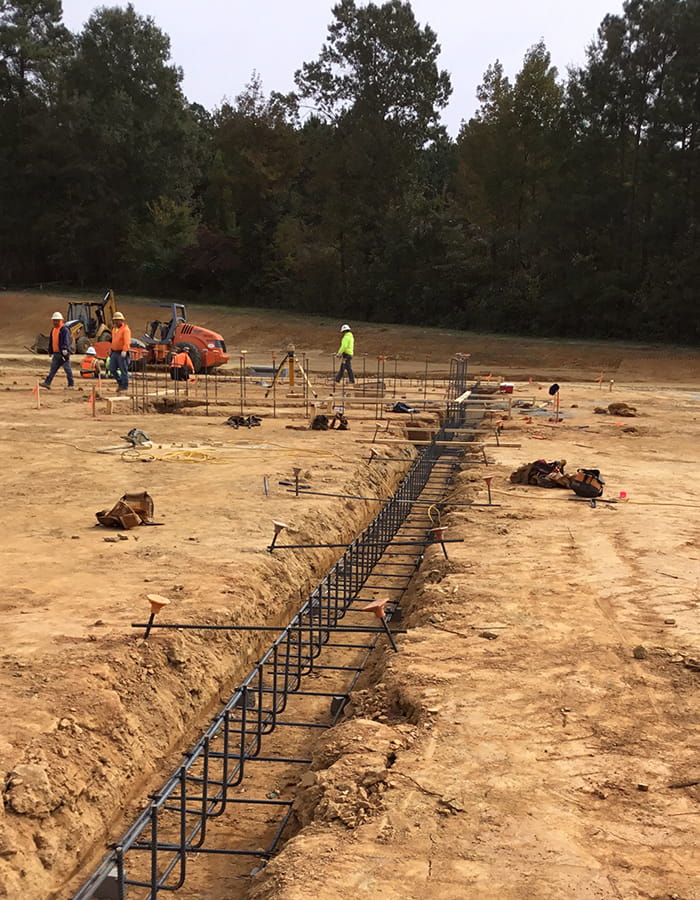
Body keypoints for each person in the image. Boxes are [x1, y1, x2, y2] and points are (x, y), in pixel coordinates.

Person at [40, 311, 74, 389]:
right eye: (54, 320)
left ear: (61, 321)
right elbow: (52, 341)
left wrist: (65, 350)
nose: (55, 322)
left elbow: (66, 340)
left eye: (57, 320)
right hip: (56, 353)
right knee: (53, 369)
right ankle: (47, 383)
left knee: (67, 369)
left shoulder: (64, 329)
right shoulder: (53, 330)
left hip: (63, 353)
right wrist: (50, 351)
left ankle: (71, 384)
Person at [109, 311, 132, 393]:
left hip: (121, 353)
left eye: (117, 320)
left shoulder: (125, 330)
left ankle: (124, 386)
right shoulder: (114, 329)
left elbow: (127, 341)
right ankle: (120, 383)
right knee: (112, 369)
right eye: (115, 320)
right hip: (114, 352)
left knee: (123, 370)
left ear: (122, 320)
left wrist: (125, 350)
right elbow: (114, 341)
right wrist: (111, 349)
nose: (116, 322)